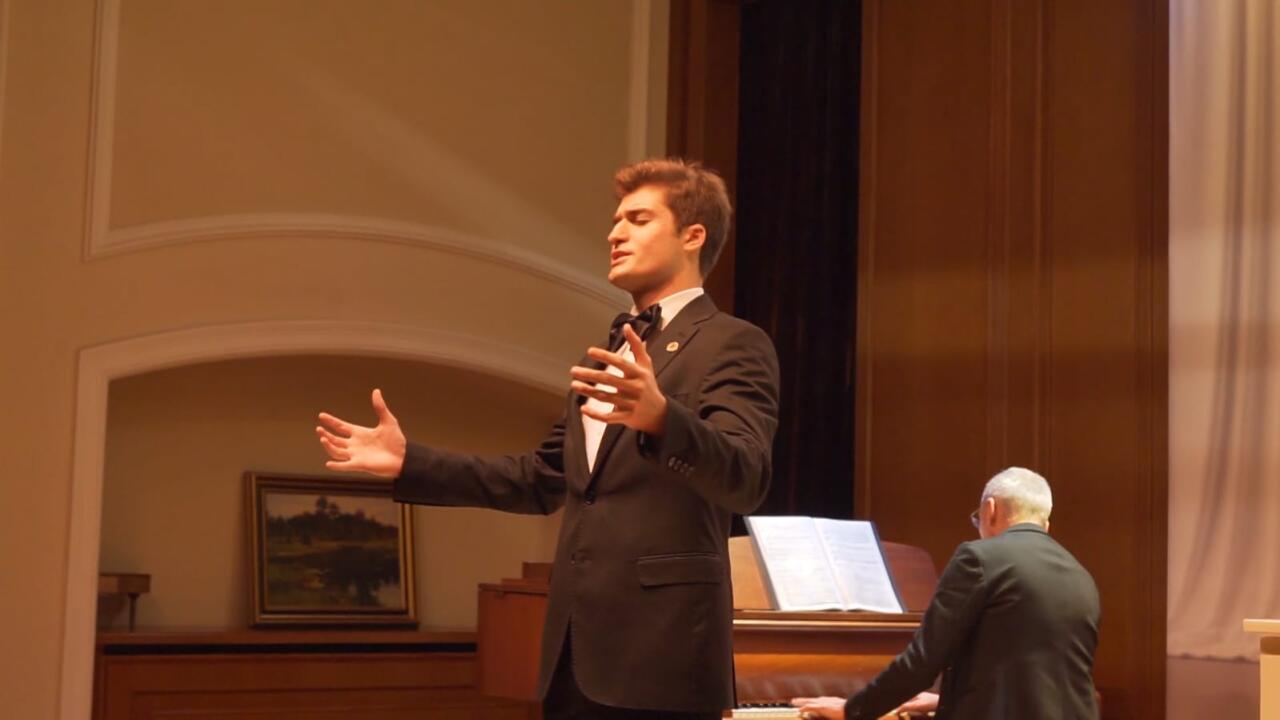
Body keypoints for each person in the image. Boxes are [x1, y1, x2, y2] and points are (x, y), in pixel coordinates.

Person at [316, 158, 781, 720]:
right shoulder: (607, 355)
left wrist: (663, 419)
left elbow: (747, 476)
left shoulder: (732, 343)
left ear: (693, 236)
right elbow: (539, 479)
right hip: (573, 655)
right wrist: (410, 462)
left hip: (666, 660)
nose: (614, 234)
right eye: (615, 221)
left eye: (637, 219)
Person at [793, 467, 1100, 720]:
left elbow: (922, 663)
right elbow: (1028, 670)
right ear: (1046, 524)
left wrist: (853, 709)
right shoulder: (1080, 576)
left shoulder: (979, 558)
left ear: (990, 509)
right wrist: (946, 699)